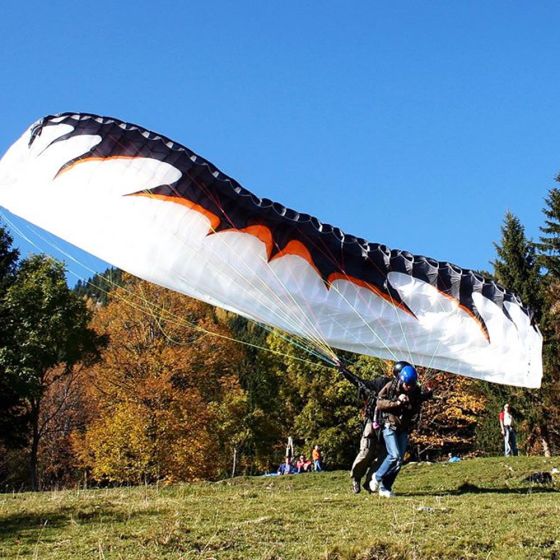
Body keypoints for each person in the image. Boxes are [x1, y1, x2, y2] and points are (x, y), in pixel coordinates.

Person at [342, 360, 411, 494]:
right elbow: (361, 383)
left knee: (387, 455)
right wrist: (345, 372)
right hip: (374, 421)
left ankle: (370, 482)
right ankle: (356, 478)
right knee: (366, 450)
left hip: (390, 425)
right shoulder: (383, 383)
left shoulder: (409, 389)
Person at [369, 365, 431, 498]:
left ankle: (385, 488)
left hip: (403, 428)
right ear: (402, 381)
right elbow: (380, 403)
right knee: (394, 455)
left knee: (399, 461)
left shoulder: (415, 390)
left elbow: (418, 399)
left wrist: (428, 394)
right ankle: (377, 476)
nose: (410, 387)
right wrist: (397, 402)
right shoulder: (391, 387)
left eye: (412, 384)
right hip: (389, 426)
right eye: (408, 384)